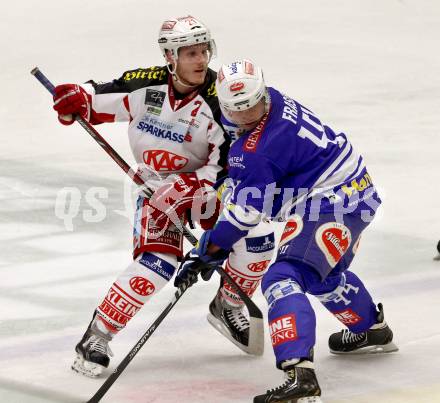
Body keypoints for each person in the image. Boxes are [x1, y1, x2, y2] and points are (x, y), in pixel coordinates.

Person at [52, 18, 274, 378]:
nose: (201, 60)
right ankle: (98, 335)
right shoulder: (147, 82)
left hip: (209, 188)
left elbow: (231, 163)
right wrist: (73, 97)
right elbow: (95, 98)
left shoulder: (220, 99)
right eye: (190, 53)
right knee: (157, 264)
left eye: (204, 51)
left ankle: (228, 303)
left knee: (258, 238)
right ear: (171, 56)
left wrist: (191, 187)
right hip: (156, 188)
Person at [175, 59, 398, 402]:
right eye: (238, 109)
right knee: (316, 274)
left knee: (283, 277)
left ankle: (300, 376)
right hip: (353, 192)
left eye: (251, 105)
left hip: (332, 203)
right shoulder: (271, 98)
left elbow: (245, 216)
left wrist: (211, 249)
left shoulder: (258, 152)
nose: (247, 114)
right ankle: (369, 329)